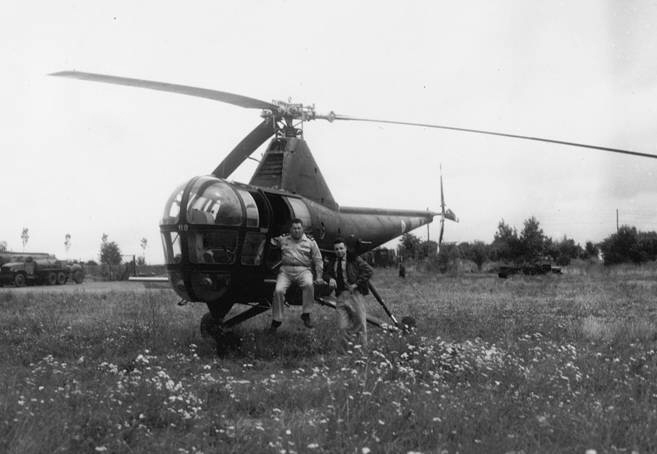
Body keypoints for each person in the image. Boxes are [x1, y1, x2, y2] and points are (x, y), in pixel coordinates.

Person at [269, 218, 324, 332]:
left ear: (303, 229)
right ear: (290, 229)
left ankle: (306, 314)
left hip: (303, 270)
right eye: (294, 228)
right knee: (278, 290)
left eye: (299, 228)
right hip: (286, 271)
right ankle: (276, 320)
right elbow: (269, 241)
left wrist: (319, 276)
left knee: (308, 284)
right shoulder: (283, 239)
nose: (297, 230)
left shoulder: (310, 242)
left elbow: (318, 260)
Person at [324, 238, 373, 352]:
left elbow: (368, 271)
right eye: (336, 249)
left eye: (341, 248)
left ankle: (362, 351)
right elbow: (325, 274)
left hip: (354, 295)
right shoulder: (333, 261)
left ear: (345, 248)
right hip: (340, 296)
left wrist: (356, 284)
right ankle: (344, 352)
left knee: (360, 323)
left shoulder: (354, 259)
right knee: (342, 326)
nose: (339, 251)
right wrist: (330, 278)